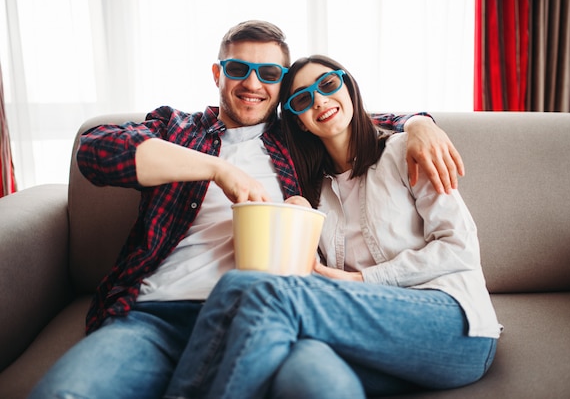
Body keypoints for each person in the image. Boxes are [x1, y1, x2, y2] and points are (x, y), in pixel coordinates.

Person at [27, 21, 464, 399]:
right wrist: (216, 169)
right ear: (218, 73)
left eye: (269, 73)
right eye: (238, 69)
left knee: (325, 389)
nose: (253, 84)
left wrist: (419, 123)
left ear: (282, 86)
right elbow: (97, 151)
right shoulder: (176, 129)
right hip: (156, 317)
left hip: (273, 322)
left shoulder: (298, 142)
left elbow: (352, 117)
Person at [163, 55, 502, 399]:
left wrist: (418, 122)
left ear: (349, 88)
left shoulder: (405, 151)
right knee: (302, 370)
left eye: (327, 85)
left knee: (257, 289)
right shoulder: (314, 190)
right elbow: (312, 278)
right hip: (366, 336)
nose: (320, 100)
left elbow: (460, 248)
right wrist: (295, 219)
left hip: (453, 323)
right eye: (303, 99)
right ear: (301, 123)